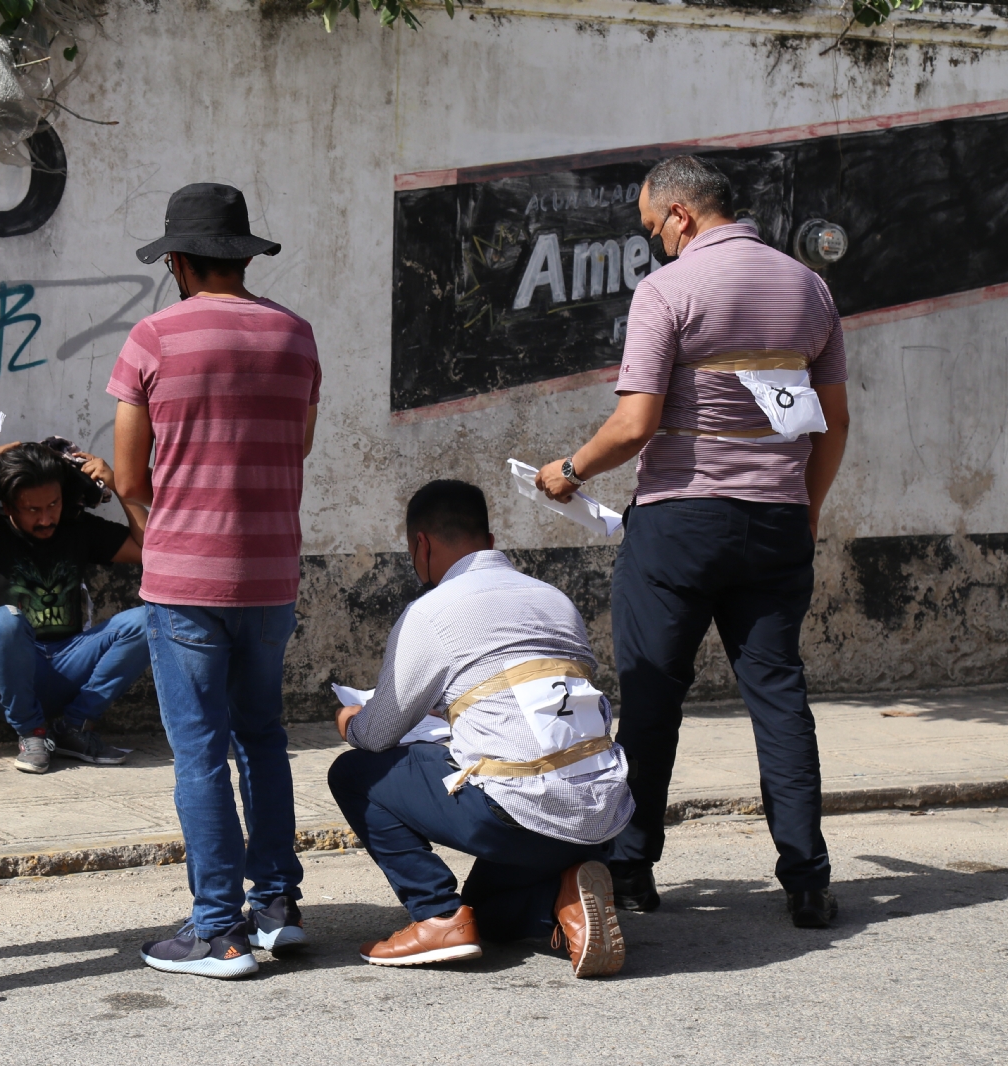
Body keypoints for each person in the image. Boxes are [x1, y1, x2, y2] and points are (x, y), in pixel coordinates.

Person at [535, 155, 851, 929]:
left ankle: (634, 870)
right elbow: (832, 422)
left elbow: (636, 425)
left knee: (651, 697)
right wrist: (804, 510)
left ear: (680, 215)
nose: (654, 244)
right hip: (776, 520)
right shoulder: (808, 286)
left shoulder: (668, 290)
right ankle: (807, 879)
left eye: (652, 228)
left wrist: (569, 470)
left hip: (679, 522)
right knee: (779, 696)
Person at [109, 183, 321, 979]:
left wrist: (174, 518)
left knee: (199, 751)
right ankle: (277, 906)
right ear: (242, 256)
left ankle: (216, 929)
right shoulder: (297, 337)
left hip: (185, 580)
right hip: (272, 573)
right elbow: (294, 449)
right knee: (262, 739)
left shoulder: (153, 338)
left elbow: (130, 475)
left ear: (178, 261)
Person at [330, 480, 633, 977]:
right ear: (490, 542)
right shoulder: (554, 599)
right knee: (486, 911)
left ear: (421, 545)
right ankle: (567, 901)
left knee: (354, 772)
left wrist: (350, 722)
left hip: (514, 812)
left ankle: (436, 914)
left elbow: (379, 733)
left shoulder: (430, 611)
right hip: (599, 820)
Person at [0, 439, 150, 773]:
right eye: (32, 510)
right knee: (6, 621)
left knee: (148, 620)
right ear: (8, 506)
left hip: (66, 666)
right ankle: (31, 733)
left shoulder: (78, 528)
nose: (46, 519)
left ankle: (74, 728)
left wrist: (120, 488)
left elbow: (149, 549)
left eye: (53, 505)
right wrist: (7, 449)